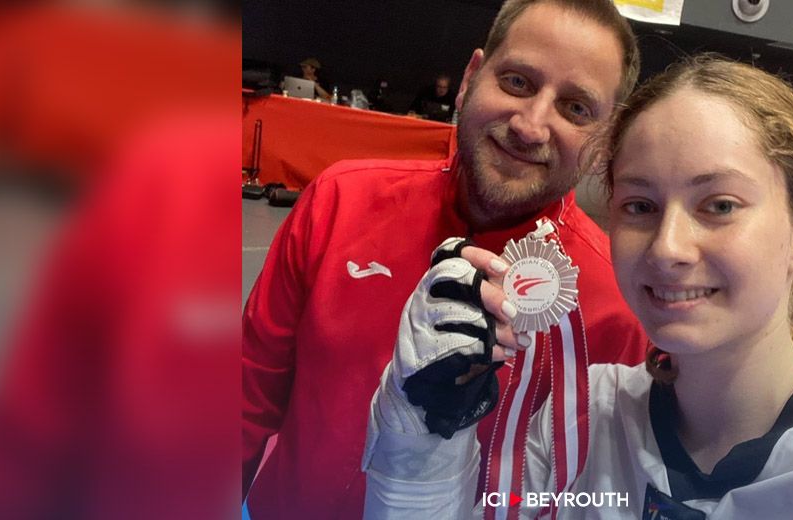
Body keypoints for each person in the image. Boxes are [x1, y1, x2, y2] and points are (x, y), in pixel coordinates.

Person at [362, 55, 793, 519]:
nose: (668, 247)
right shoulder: (580, 417)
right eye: (640, 206)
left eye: (720, 205)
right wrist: (421, 440)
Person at [241, 1, 645, 518]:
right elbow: (246, 396)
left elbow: (596, 495)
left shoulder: (619, 300)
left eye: (575, 108)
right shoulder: (341, 202)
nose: (531, 125)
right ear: (471, 77)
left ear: (604, 140)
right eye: (518, 82)